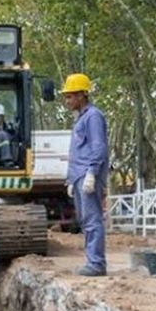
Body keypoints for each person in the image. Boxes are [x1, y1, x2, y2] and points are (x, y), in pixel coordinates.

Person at [62, 73, 109, 276]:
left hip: (88, 174)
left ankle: (96, 264)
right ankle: (92, 260)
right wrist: (71, 179)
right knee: (85, 220)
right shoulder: (80, 119)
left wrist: (91, 172)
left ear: (82, 95)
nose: (67, 101)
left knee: (92, 219)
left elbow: (98, 147)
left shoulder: (93, 117)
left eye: (70, 96)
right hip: (79, 175)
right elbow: (77, 151)